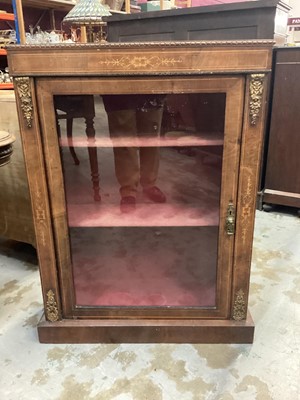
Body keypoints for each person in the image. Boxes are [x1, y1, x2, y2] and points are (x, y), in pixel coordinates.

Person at [103, 94, 166, 212]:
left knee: (151, 136)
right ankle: (128, 191)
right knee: (123, 137)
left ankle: (149, 184)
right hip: (118, 85)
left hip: (150, 83)